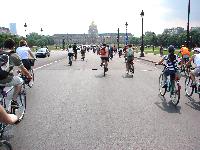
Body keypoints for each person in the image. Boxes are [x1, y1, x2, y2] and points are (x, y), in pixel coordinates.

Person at [0, 38, 32, 108]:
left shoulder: (1, 53)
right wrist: (29, 76)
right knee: (19, 82)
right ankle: (14, 101)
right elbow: (23, 69)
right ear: (13, 46)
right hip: (4, 79)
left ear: (4, 46)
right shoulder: (13, 55)